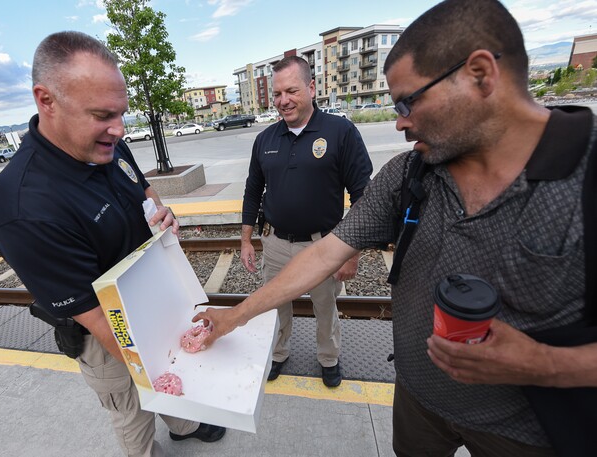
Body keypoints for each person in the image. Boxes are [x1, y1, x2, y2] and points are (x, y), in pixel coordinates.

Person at [195, 0, 596, 455]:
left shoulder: (587, 177)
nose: (400, 122)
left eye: (409, 101)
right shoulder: (411, 172)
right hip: (417, 407)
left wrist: (542, 364)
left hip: (524, 434)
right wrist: (233, 316)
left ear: (480, 75)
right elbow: (326, 253)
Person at [0, 31, 225, 457]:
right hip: (105, 329)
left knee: (171, 381)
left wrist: (161, 213)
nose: (118, 130)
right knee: (132, 409)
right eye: (102, 115)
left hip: (155, 295)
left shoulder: (109, 145)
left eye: (121, 114)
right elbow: (102, 323)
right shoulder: (25, 208)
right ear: (47, 100)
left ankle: (185, 424)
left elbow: (144, 191)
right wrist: (177, 361)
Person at [240, 56, 373, 387]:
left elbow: (362, 195)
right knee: (275, 305)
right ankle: (278, 353)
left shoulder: (340, 132)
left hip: (323, 245)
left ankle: (328, 358)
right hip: (275, 243)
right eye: (277, 93)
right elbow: (252, 190)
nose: (283, 100)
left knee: (325, 307)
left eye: (291, 91)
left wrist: (352, 253)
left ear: (312, 88)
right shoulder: (265, 140)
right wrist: (245, 240)